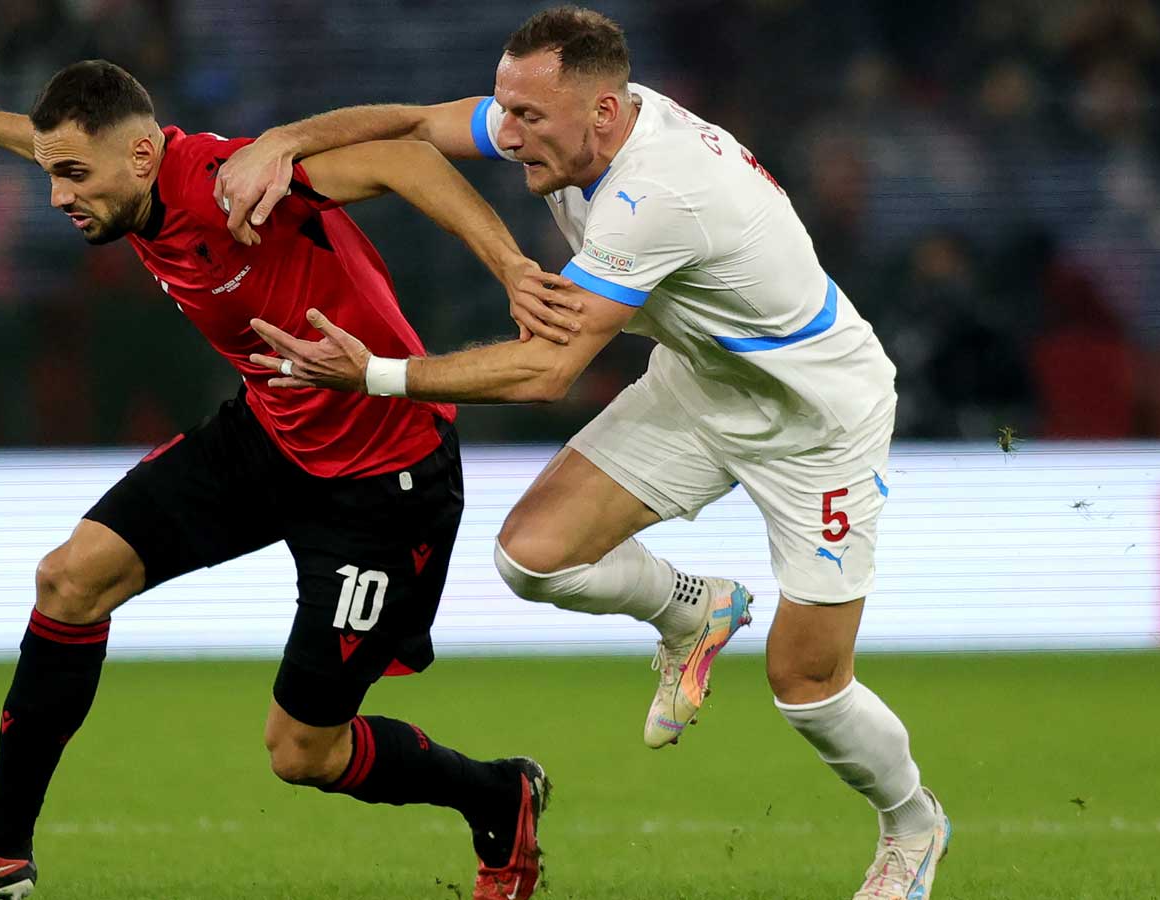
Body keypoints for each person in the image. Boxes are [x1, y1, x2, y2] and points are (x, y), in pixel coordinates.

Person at [219, 7, 950, 899]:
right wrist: (280, 143)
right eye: (504, 110)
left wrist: (371, 373)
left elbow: (545, 370)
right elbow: (412, 126)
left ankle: (913, 824)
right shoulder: (567, 126)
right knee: (532, 559)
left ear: (605, 111)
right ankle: (694, 610)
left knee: (805, 680)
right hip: (701, 385)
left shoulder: (659, 194)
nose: (508, 134)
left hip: (818, 423)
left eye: (528, 119)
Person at [0, 50, 567, 900]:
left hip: (383, 475)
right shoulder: (130, 179)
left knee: (304, 752)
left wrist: (513, 271)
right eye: (55, 174)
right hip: (268, 433)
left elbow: (405, 156)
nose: (58, 197)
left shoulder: (231, 184)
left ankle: (498, 795)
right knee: (69, 580)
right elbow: (70, 147)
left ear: (140, 158)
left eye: (73, 176)